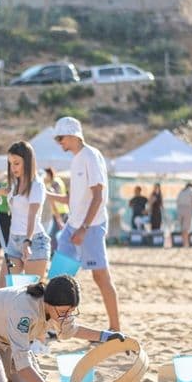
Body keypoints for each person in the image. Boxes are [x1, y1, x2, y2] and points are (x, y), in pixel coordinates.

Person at [46, 116, 121, 332]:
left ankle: (115, 328)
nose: (59, 142)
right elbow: (73, 198)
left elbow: (98, 196)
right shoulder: (76, 159)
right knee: (57, 277)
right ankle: (51, 327)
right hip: (73, 226)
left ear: (73, 135)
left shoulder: (91, 156)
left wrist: (84, 228)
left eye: (60, 137)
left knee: (101, 277)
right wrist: (47, 194)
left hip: (91, 227)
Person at [0, 141, 50, 287]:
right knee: (2, 289)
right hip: (14, 241)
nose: (13, 168)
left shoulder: (37, 185)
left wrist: (27, 241)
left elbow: (32, 215)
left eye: (16, 163)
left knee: (32, 294)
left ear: (28, 162)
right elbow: (9, 191)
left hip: (34, 242)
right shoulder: (15, 183)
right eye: (10, 163)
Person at [43, 167, 69, 254]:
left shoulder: (55, 183)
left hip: (60, 211)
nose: (44, 177)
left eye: (45, 175)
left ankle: (54, 254)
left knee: (54, 235)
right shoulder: (57, 181)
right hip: (61, 211)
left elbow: (54, 198)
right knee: (56, 234)